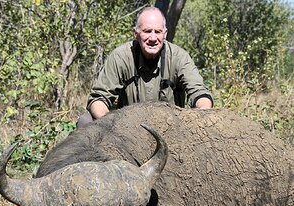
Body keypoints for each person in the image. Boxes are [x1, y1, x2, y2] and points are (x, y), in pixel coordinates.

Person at [78, 7, 213, 127]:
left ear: (165, 34)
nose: (153, 38)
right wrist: (114, 127)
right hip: (128, 129)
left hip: (171, 129)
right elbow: (98, 99)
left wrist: (202, 112)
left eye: (158, 31)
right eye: (147, 31)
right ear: (136, 34)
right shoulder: (121, 57)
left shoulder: (179, 57)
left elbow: (200, 93)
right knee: (86, 121)